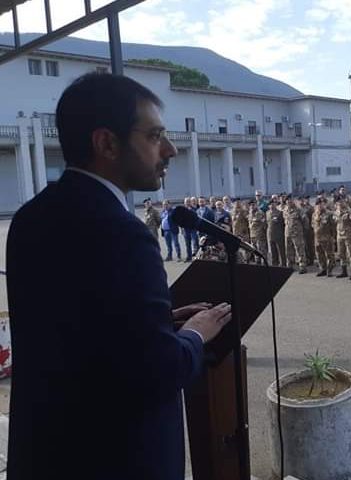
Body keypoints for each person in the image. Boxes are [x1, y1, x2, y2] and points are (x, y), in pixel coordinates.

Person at [5, 73, 231, 479]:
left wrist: (158, 325)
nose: (171, 149)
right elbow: (158, 372)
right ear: (107, 143)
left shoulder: (31, 217)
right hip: (116, 457)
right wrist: (195, 334)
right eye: (155, 136)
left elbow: (80, 331)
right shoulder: (122, 233)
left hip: (46, 453)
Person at [311, 197, 336, 276]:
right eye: (318, 204)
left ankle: (330, 270)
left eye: (322, 204)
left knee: (329, 255)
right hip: (318, 239)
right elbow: (312, 224)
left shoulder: (329, 214)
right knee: (319, 255)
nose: (320, 206)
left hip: (327, 238)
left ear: (324, 204)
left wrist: (333, 237)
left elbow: (333, 227)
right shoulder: (314, 214)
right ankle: (323, 269)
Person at [335, 195, 351, 279]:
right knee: (341, 254)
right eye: (338, 202)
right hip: (339, 236)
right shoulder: (336, 211)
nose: (339, 203)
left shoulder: (350, 212)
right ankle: (343, 271)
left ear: (344, 201)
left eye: (341, 201)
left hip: (349, 236)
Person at [284, 195, 308, 273]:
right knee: (289, 250)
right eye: (287, 201)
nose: (289, 202)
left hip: (297, 233)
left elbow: (305, 220)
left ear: (292, 200)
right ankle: (290, 265)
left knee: (299, 249)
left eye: (290, 200)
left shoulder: (298, 210)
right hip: (288, 233)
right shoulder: (285, 210)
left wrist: (303, 230)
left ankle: (302, 266)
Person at [267, 200, 286, 267]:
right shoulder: (267, 213)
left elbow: (283, 224)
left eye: (273, 204)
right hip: (271, 235)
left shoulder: (280, 213)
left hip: (279, 234)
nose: (272, 206)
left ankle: (283, 264)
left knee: (281, 251)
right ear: (269, 206)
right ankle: (274, 264)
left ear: (275, 205)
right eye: (270, 204)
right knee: (273, 251)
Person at [181, 197, 199, 262]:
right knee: (187, 244)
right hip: (186, 230)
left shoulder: (194, 209)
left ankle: (196, 257)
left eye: (188, 201)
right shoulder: (182, 210)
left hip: (193, 229)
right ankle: (189, 257)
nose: (187, 203)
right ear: (184, 203)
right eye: (186, 202)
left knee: (195, 243)